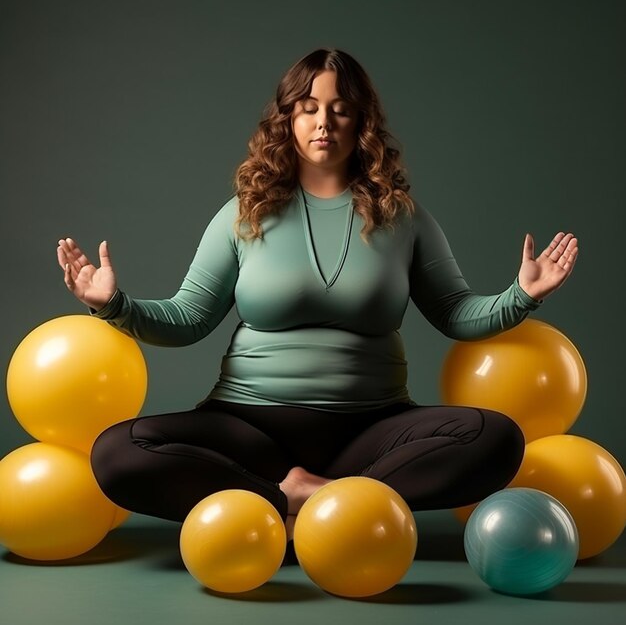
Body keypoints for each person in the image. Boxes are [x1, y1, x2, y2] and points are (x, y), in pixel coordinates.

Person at [56, 48, 578, 539]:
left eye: (340, 109)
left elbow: (456, 314)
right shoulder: (243, 215)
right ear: (288, 120)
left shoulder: (403, 217)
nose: (324, 122)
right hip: (248, 426)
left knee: (495, 439)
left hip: (372, 431)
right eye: (308, 109)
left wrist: (521, 294)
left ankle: (316, 498)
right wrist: (112, 305)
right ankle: (300, 499)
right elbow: (188, 317)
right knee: (117, 453)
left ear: (362, 123)